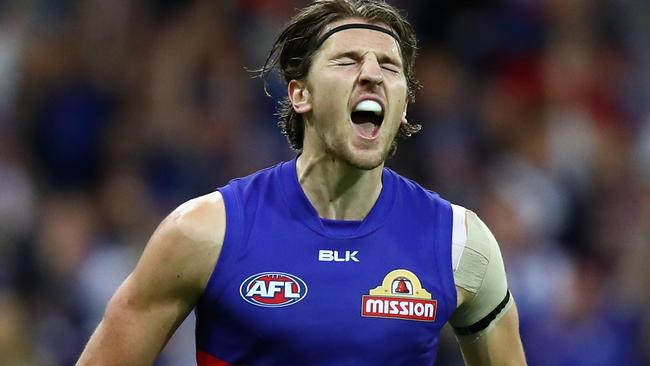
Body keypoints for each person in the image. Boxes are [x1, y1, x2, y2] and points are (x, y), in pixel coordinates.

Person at [77, 0, 527, 365]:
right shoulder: (205, 230)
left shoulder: (462, 244)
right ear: (300, 93)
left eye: (390, 67)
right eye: (347, 61)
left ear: (404, 105)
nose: (371, 74)